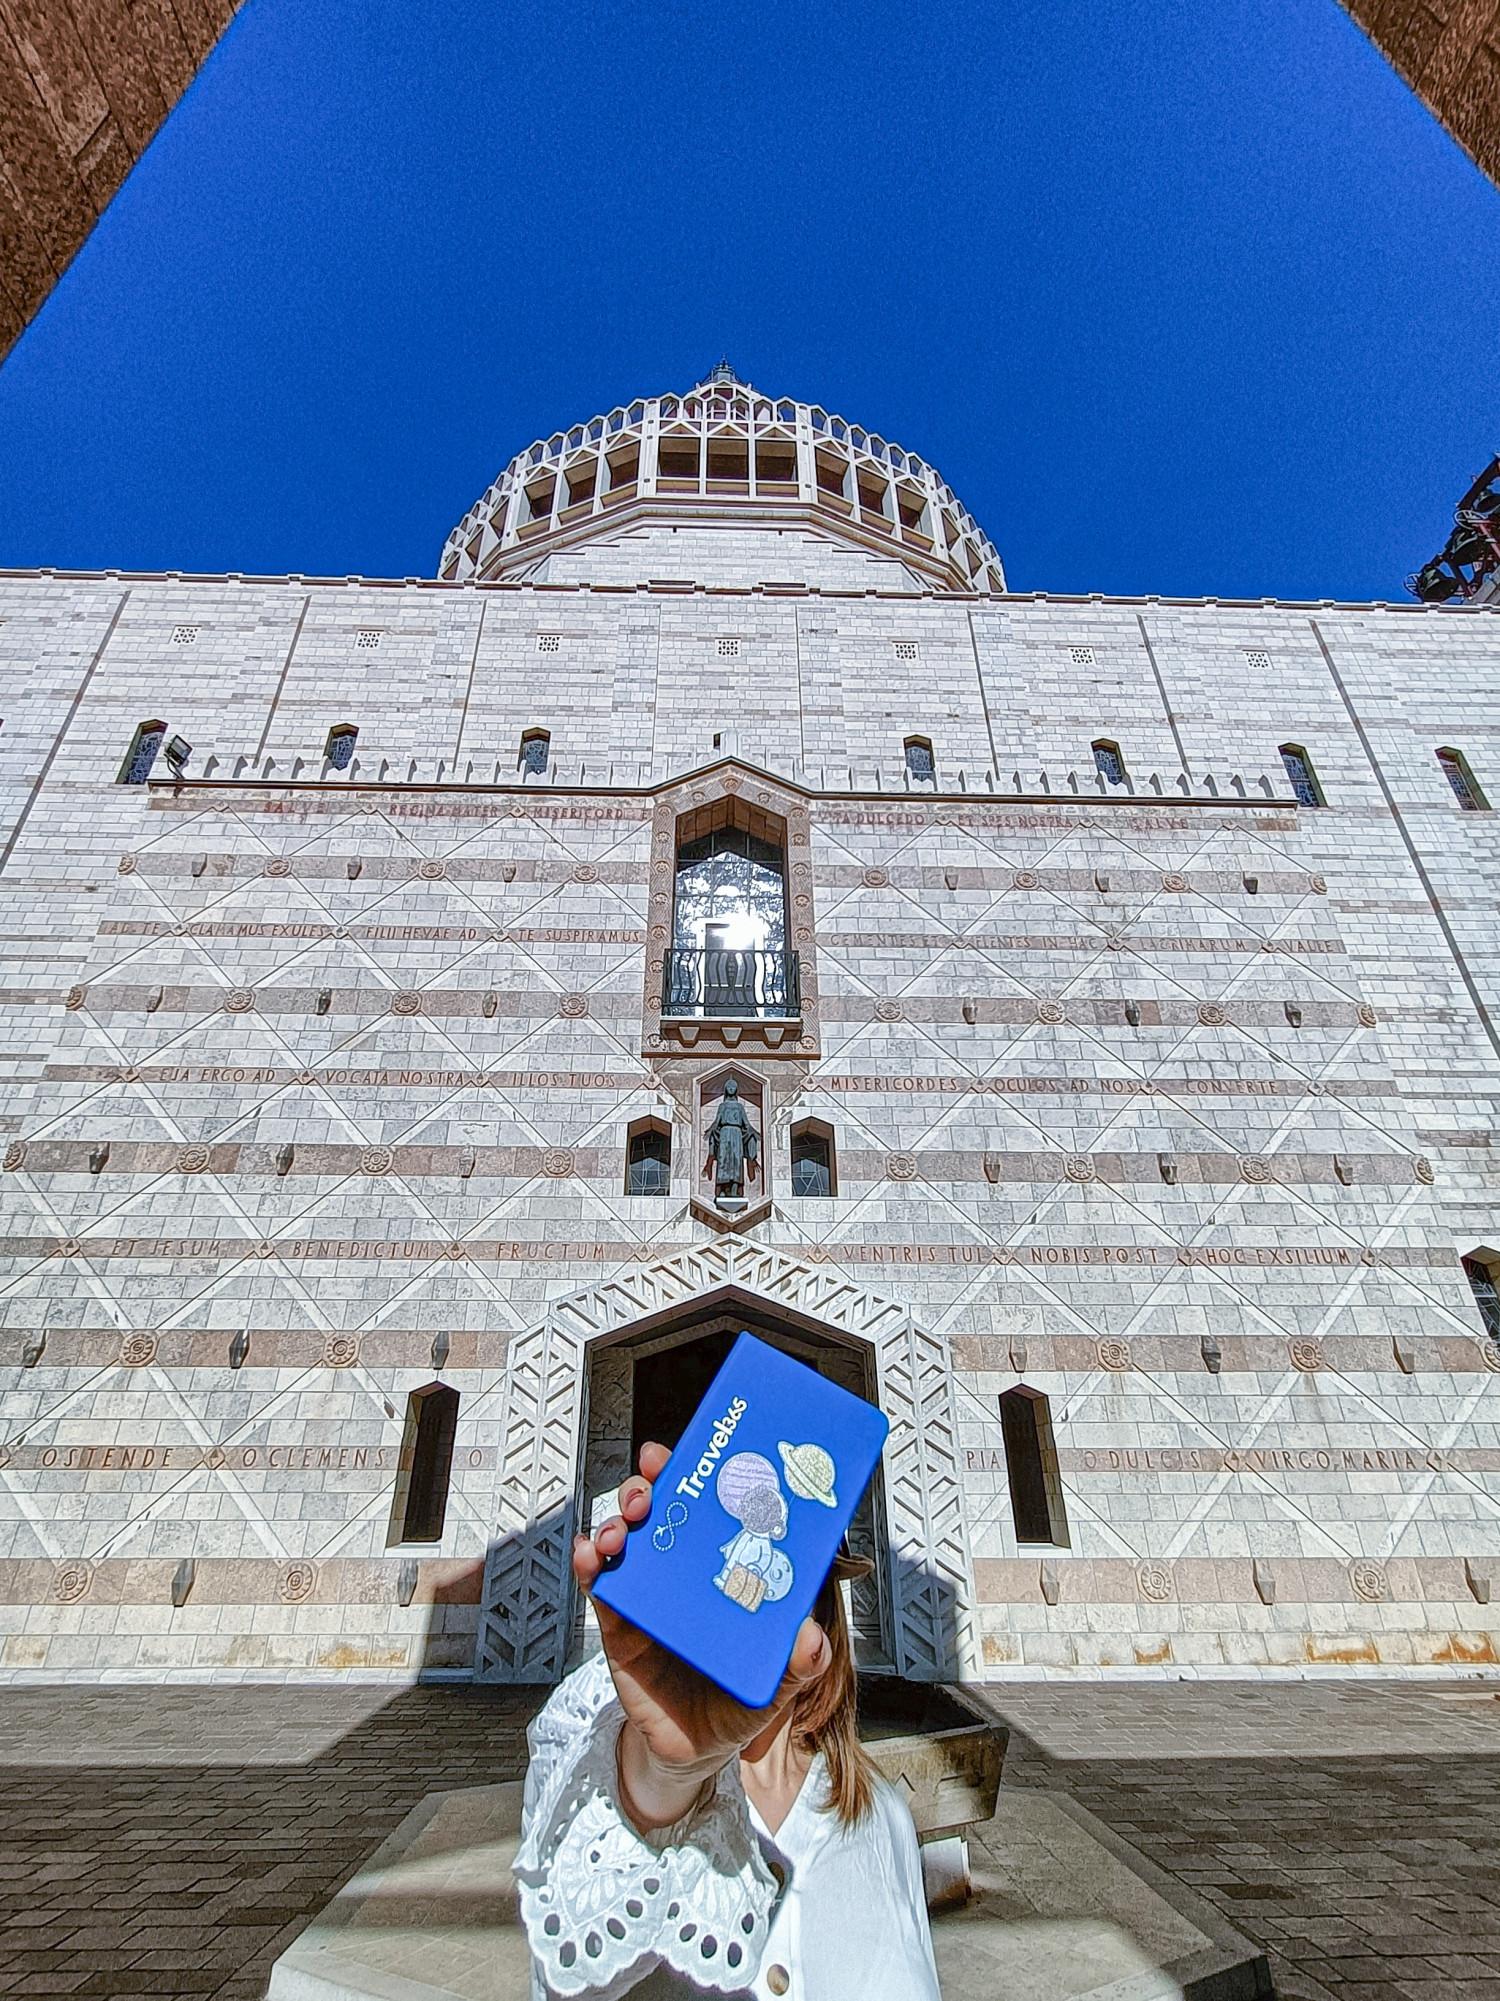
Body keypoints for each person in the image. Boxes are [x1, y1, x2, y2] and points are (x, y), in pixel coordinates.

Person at [515, 1441, 941, 2000]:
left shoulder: (880, 1816)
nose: (760, 1610)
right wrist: (667, 1779)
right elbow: (570, 1977)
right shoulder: (591, 1754)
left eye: (804, 1580)